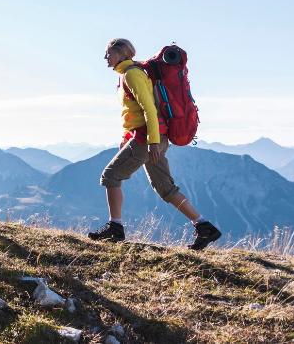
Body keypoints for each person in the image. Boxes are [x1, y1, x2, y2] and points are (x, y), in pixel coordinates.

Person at [88, 38, 221, 250]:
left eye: (108, 53)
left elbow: (149, 109)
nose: (105, 57)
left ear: (122, 53)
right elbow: (133, 113)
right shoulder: (128, 74)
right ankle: (205, 227)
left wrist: (152, 143)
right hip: (150, 138)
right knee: (165, 188)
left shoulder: (132, 74)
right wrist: (127, 139)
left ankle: (115, 228)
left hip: (147, 139)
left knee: (110, 176)